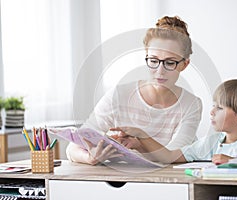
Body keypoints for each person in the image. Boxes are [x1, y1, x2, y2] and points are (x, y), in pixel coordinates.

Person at [66, 16, 202, 165]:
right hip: (123, 182)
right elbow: (73, 147)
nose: (160, 71)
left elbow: (173, 156)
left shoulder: (191, 104)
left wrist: (140, 141)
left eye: (170, 62)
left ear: (185, 64)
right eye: (154, 61)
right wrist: (90, 158)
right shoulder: (118, 96)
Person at [113, 79, 237, 165]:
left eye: (219, 108)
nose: (211, 112)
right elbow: (169, 157)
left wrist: (232, 161)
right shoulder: (211, 143)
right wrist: (140, 142)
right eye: (213, 106)